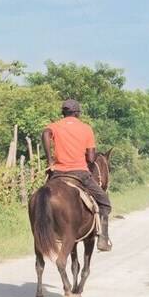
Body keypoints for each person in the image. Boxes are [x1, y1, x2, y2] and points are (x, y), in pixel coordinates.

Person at [41, 99, 112, 252]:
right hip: (80, 174)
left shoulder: (54, 126)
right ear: (77, 113)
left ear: (63, 113)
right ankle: (103, 238)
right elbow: (91, 159)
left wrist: (49, 160)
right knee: (105, 203)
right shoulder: (86, 128)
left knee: (41, 197)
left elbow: (45, 133)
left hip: (57, 173)